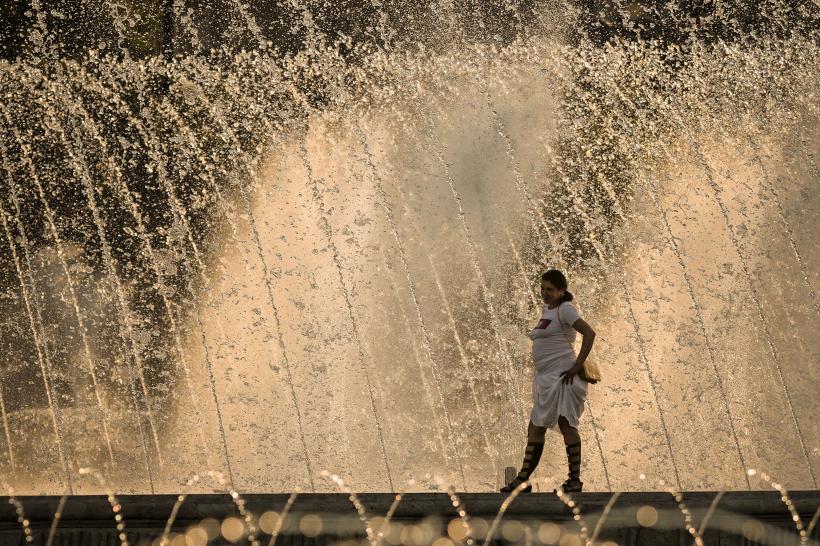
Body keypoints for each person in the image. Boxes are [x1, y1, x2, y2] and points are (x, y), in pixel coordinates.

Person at [500, 269, 597, 493]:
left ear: (562, 291)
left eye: (550, 290)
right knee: (535, 426)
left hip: (564, 377)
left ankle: (574, 481)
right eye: (542, 289)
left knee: (566, 424)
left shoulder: (566, 309)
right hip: (547, 379)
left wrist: (577, 365)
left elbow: (589, 333)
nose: (545, 293)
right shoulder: (547, 310)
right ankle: (523, 481)